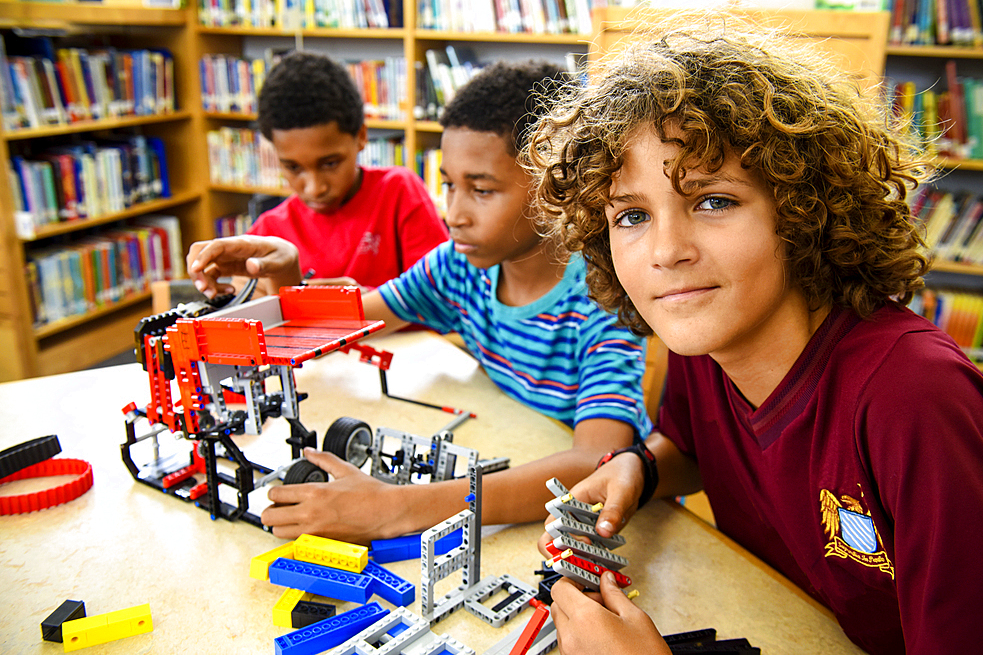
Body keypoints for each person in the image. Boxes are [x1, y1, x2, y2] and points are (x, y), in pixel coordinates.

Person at [527, 14, 983, 655]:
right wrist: (636, 470)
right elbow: (695, 447)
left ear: (805, 209)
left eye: (713, 201)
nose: (667, 252)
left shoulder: (915, 397)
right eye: (632, 215)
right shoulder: (706, 335)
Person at [187, 60, 653, 544]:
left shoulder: (603, 294)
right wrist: (285, 273)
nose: (454, 215)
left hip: (608, 519)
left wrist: (398, 506)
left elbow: (596, 463)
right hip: (511, 460)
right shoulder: (459, 266)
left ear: (556, 185)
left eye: (481, 190)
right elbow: (357, 316)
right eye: (449, 184)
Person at [217, 51, 447, 295]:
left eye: (329, 164)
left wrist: (346, 298)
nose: (315, 188)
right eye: (293, 167)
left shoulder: (398, 191)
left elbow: (443, 298)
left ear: (360, 137)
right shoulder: (268, 233)